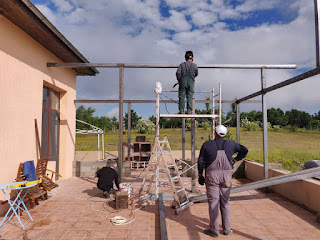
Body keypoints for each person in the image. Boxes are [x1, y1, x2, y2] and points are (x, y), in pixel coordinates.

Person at [198, 125, 248, 237]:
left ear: (215, 133)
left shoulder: (207, 144)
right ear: (225, 134)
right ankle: (227, 229)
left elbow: (201, 160)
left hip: (212, 176)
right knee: (225, 202)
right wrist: (235, 160)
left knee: (213, 203)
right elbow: (245, 150)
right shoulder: (232, 144)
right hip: (226, 176)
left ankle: (214, 230)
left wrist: (200, 174)